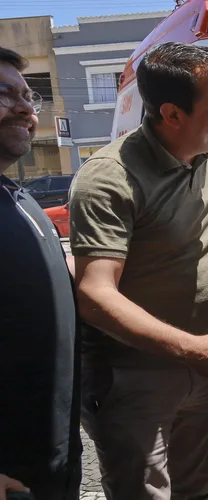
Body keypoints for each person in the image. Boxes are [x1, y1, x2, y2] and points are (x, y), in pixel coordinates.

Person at [69, 42, 208, 499]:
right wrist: (193, 349)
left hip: (199, 364)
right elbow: (95, 294)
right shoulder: (109, 178)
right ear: (172, 114)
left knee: (196, 490)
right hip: (132, 375)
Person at [0, 45, 81, 500]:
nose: (26, 108)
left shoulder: (20, 197)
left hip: (52, 462)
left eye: (29, 97)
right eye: (5, 93)